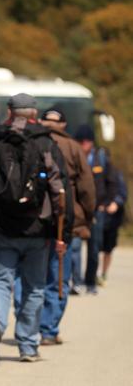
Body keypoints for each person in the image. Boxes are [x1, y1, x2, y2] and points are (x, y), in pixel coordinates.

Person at [0, 93, 66, 364]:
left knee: (0, 282)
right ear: (34, 114)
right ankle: (27, 345)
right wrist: (62, 230)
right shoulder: (46, 142)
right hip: (38, 228)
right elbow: (60, 190)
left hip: (1, 227)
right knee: (35, 287)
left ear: (10, 113)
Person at [38, 108, 95, 345]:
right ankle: (49, 330)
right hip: (65, 218)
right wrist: (87, 214)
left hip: (36, 219)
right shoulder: (73, 147)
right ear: (63, 124)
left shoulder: (34, 141)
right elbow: (86, 186)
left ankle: (29, 326)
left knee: (33, 276)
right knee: (59, 275)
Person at [74, 124, 119, 295]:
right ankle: (76, 282)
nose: (83, 144)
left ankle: (90, 281)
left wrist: (106, 204)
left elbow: (112, 183)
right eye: (80, 141)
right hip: (79, 211)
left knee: (94, 249)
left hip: (97, 211)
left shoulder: (101, 159)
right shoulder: (75, 157)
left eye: (86, 141)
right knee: (75, 248)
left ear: (91, 142)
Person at [100, 166, 127, 284]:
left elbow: (123, 193)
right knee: (95, 248)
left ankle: (103, 273)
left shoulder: (117, 174)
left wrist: (116, 203)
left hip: (112, 219)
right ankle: (92, 274)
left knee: (108, 248)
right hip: (98, 215)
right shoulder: (96, 171)